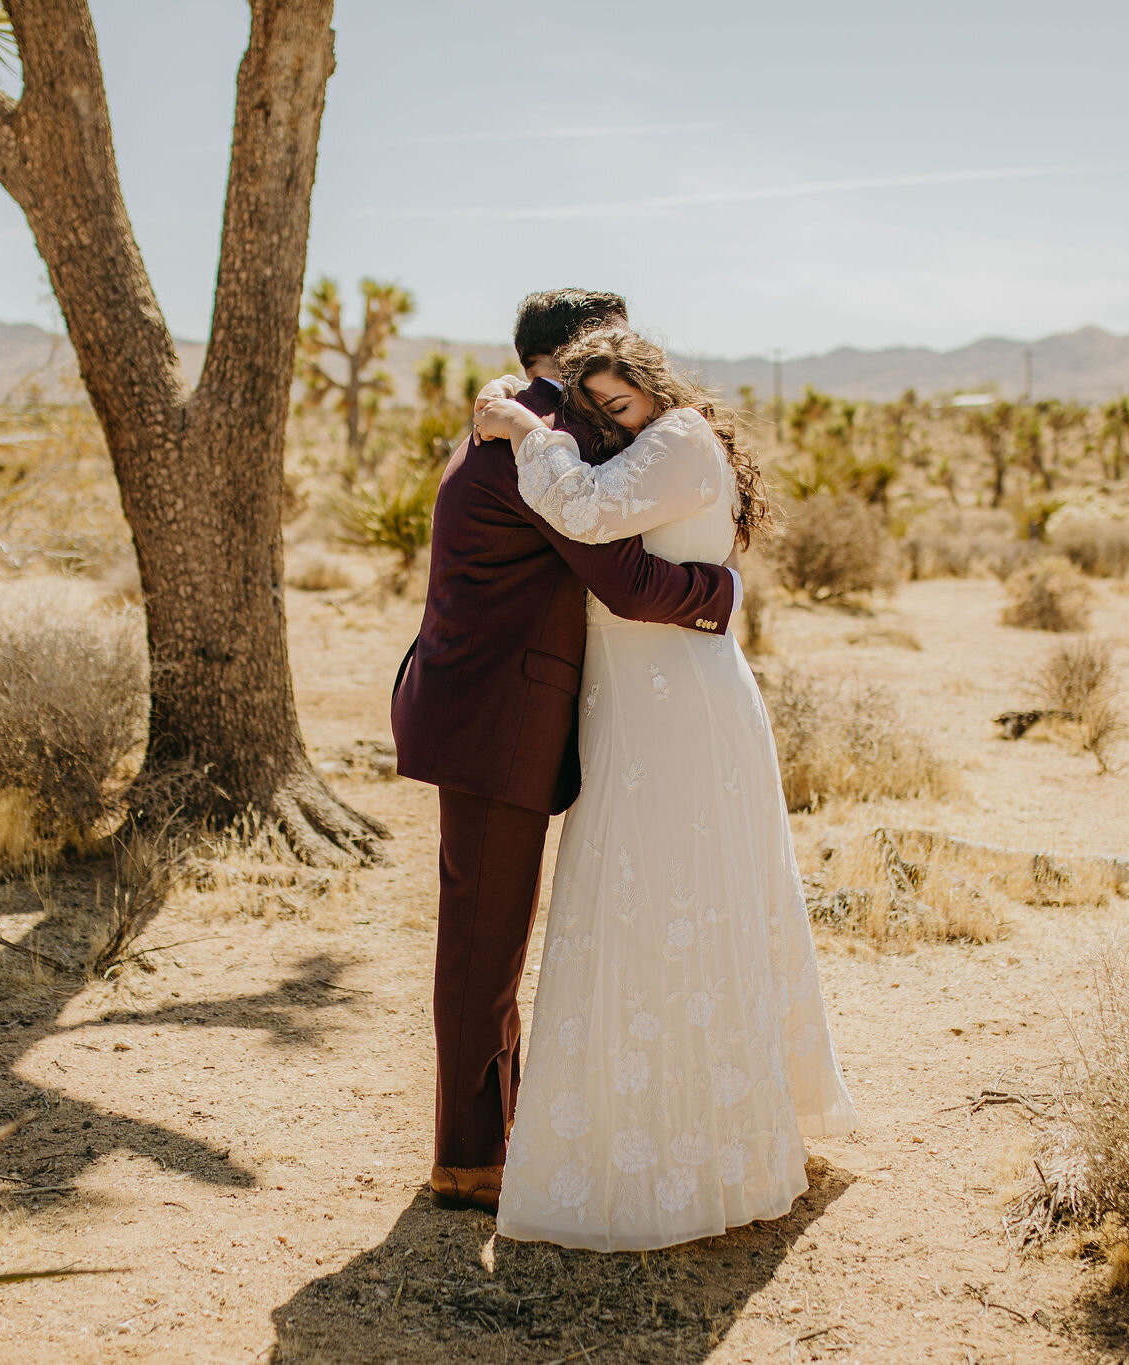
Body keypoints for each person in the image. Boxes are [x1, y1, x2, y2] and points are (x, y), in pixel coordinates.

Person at [471, 326, 856, 1251]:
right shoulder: (648, 445)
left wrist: (526, 430)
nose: (611, 420)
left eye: (619, 402)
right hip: (634, 705)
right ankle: (633, 1123)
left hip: (681, 705)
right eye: (595, 408)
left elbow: (586, 512)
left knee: (679, 899)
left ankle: (700, 1139)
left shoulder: (679, 437)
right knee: (635, 901)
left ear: (655, 386)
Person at [390, 289, 742, 1215]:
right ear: (582, 349)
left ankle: (491, 1139)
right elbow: (619, 576)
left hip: (481, 701)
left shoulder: (516, 419)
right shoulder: (543, 434)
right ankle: (468, 1158)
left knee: (490, 931)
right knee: (484, 939)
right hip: (496, 711)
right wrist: (722, 595)